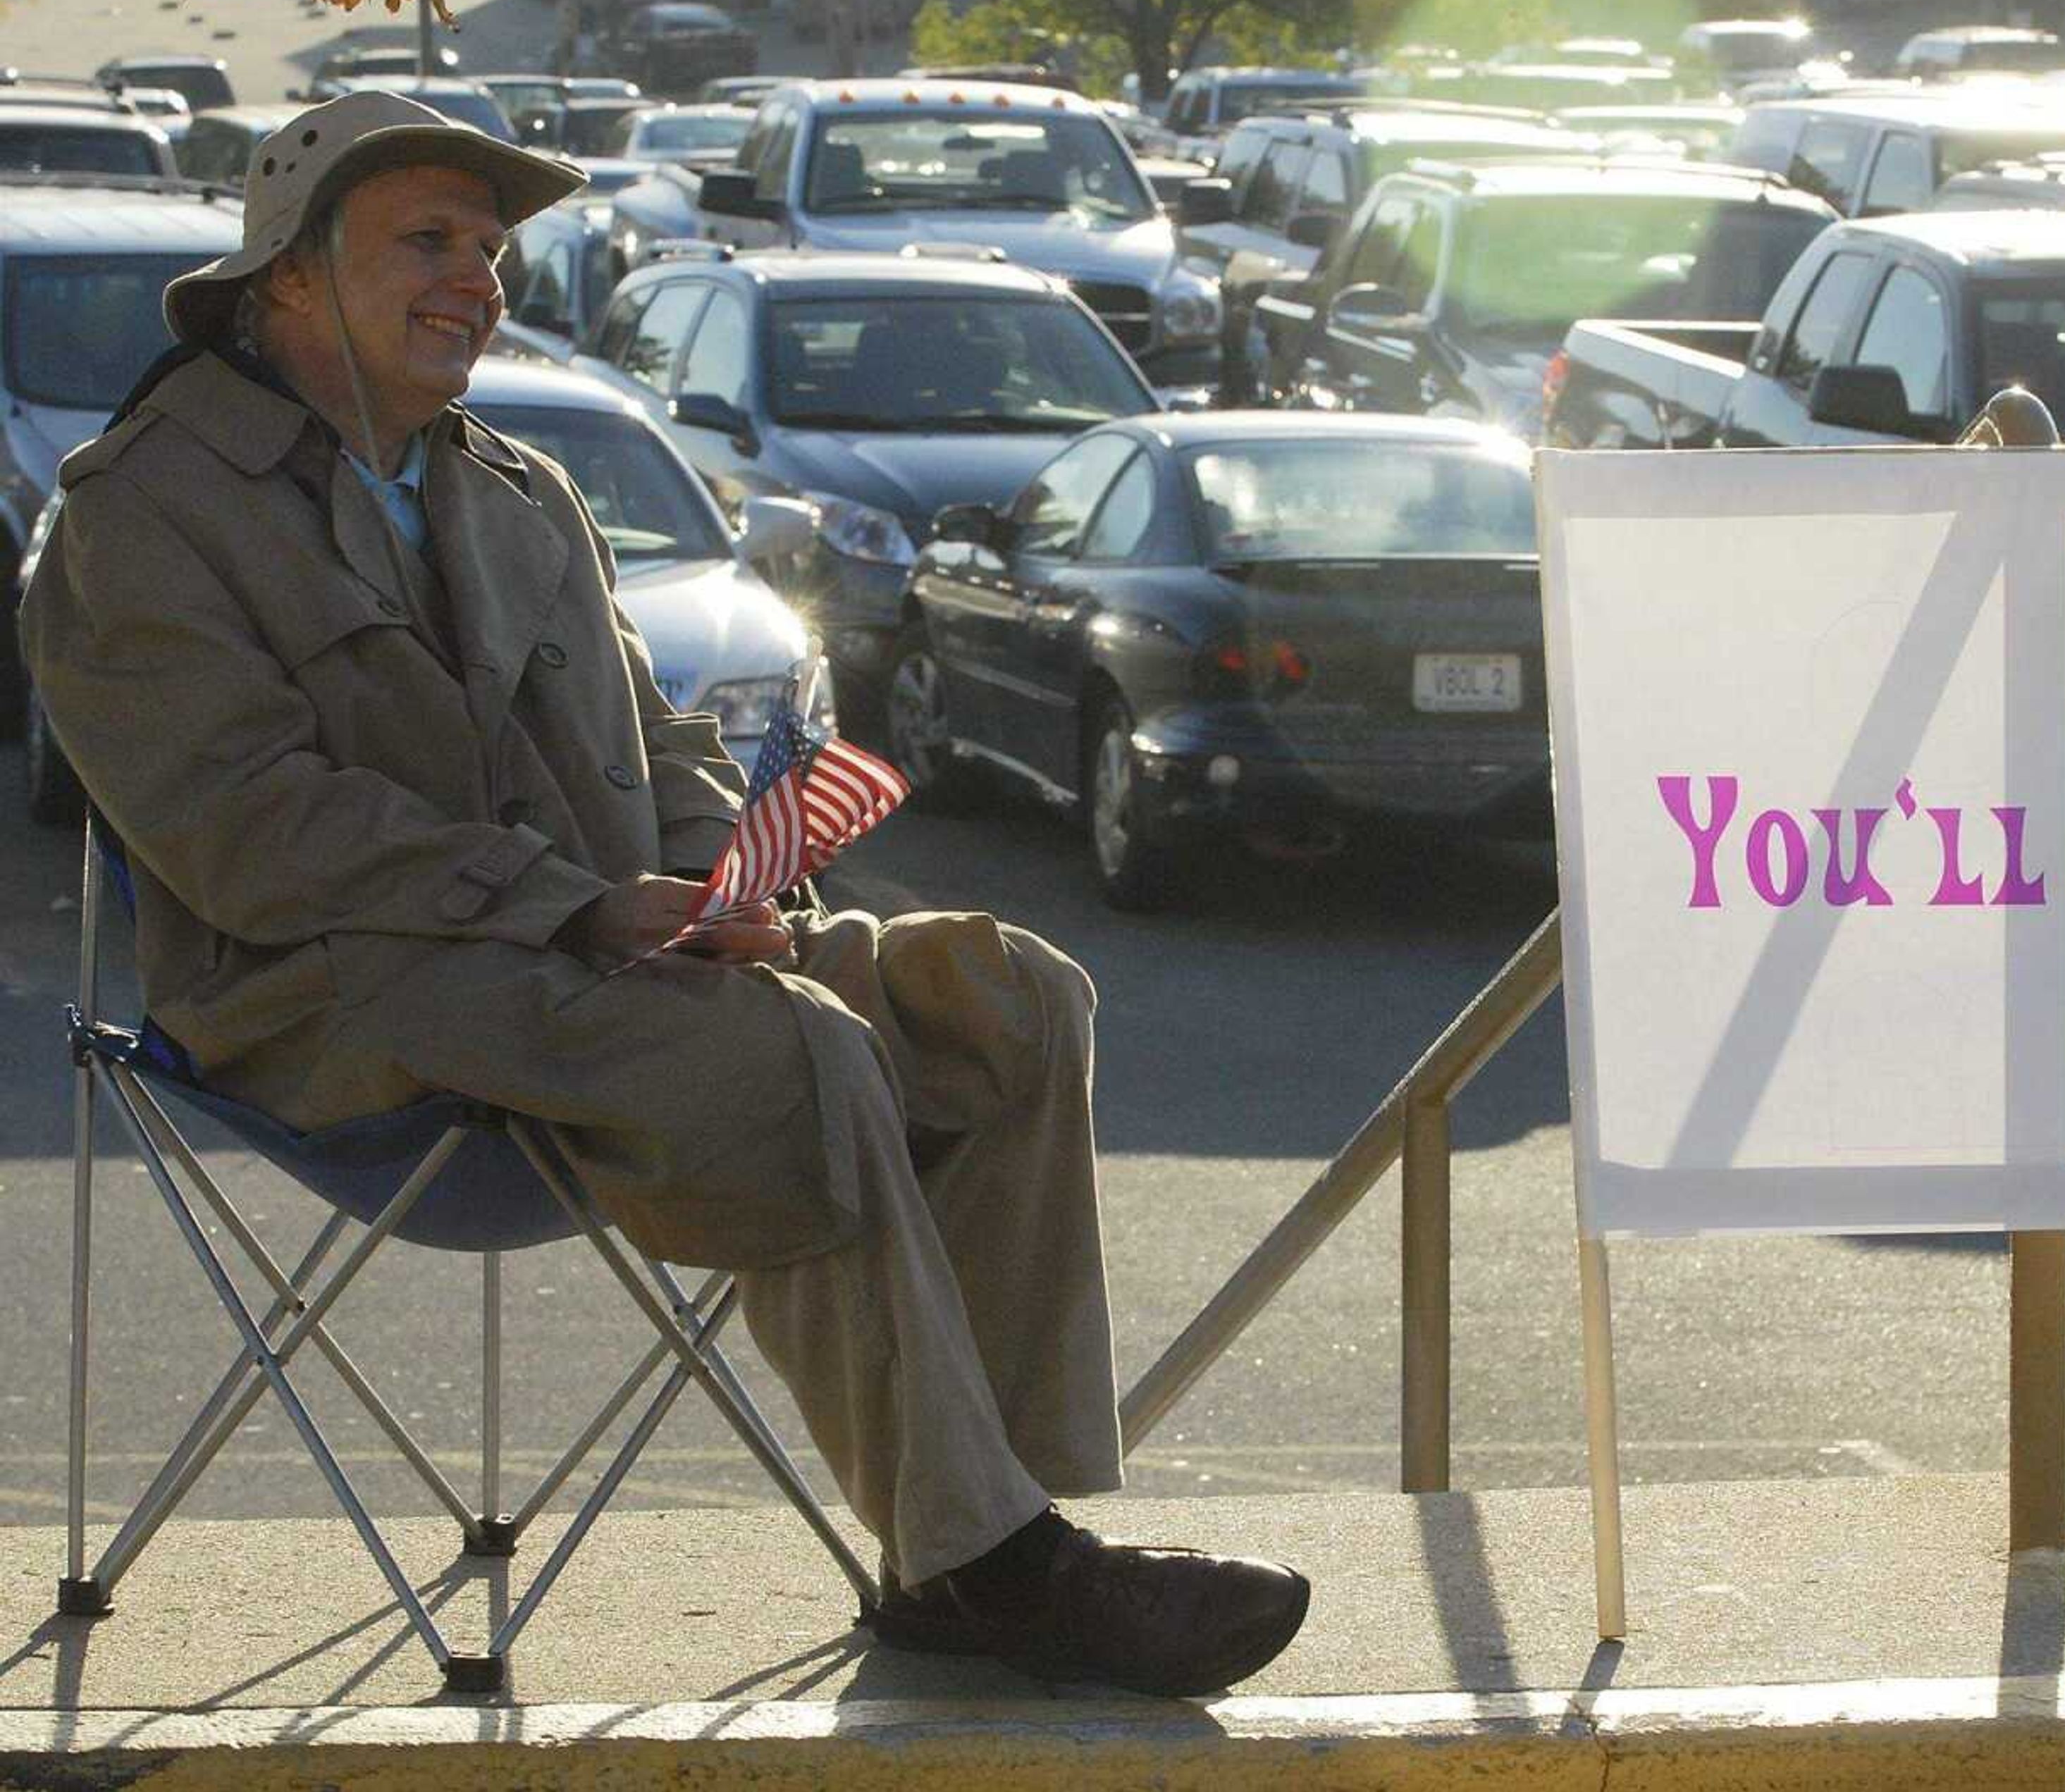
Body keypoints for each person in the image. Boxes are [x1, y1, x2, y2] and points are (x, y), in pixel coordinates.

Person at [16, 91, 1309, 1698]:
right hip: (322, 996)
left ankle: (995, 1525)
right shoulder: (139, 507)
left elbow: (662, 746)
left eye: (490, 249)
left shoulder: (519, 491)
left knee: (1006, 991)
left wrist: (720, 873)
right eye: (428, 240)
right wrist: (577, 902)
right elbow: (243, 831)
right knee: (787, 1057)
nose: (477, 279)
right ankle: (999, 1568)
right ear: (288, 275)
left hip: (585, 968)